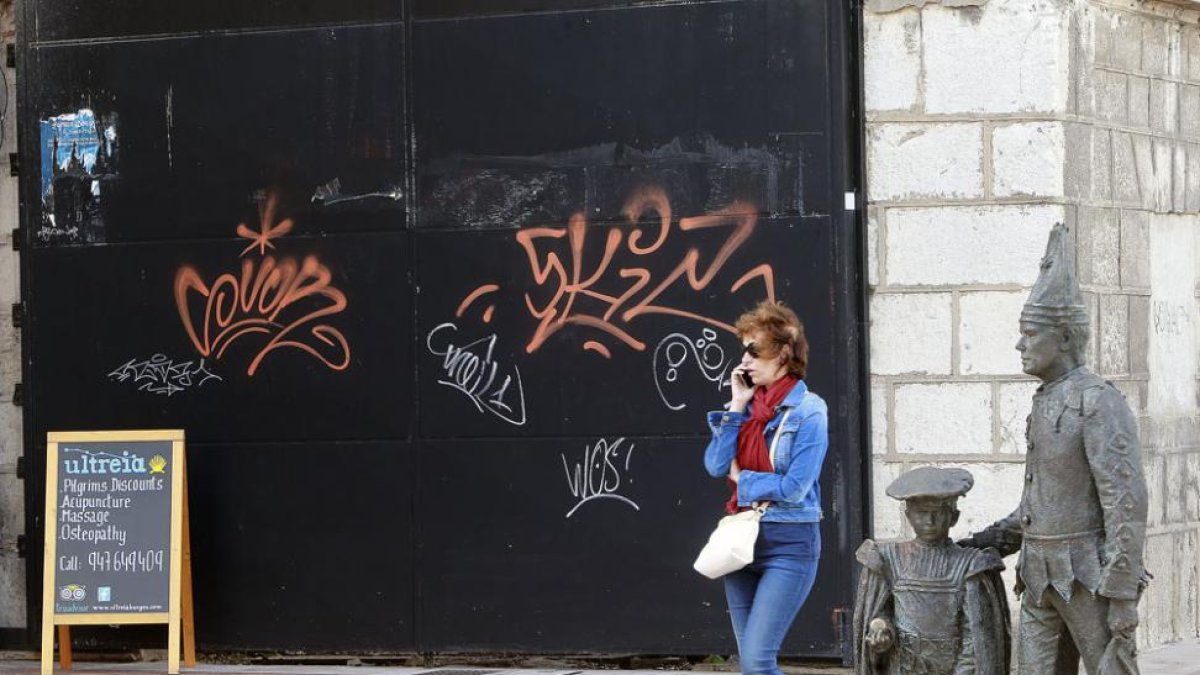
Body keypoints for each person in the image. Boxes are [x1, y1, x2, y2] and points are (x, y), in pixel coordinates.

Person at [959, 223, 1148, 674]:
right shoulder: (1045, 399)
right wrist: (993, 539)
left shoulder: (1097, 401)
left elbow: (1126, 501)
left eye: (1030, 334)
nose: (1019, 345)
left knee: (1111, 668)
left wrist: (1122, 592)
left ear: (1063, 337)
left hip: (1089, 576)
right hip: (1038, 574)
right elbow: (1040, 500)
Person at [702, 300, 829, 675]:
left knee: (758, 661)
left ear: (784, 354)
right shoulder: (744, 408)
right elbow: (715, 465)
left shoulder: (809, 411)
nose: (745, 360)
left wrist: (744, 480)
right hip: (741, 545)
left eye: (755, 351)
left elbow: (794, 487)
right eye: (744, 350)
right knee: (751, 665)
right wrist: (737, 406)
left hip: (789, 544)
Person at [853, 467, 1010, 675]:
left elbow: (975, 635)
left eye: (938, 513)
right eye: (922, 513)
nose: (930, 521)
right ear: (908, 516)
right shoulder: (888, 559)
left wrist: (963, 670)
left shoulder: (970, 565)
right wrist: (881, 630)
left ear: (954, 517)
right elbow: (882, 612)